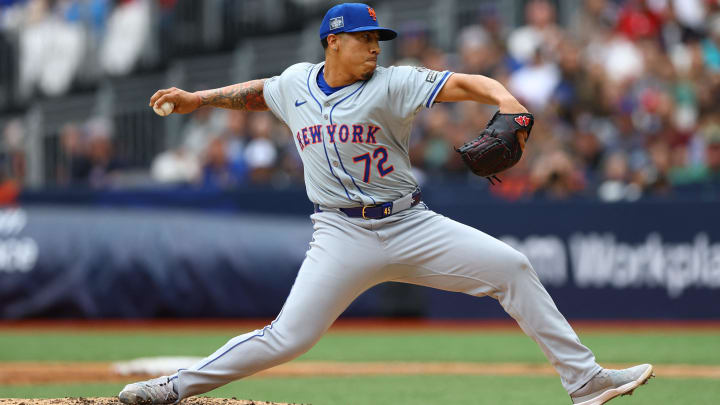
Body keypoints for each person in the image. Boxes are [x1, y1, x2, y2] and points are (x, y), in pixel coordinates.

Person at [119, 4, 653, 405]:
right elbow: (262, 89)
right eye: (364, 38)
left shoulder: (392, 83)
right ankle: (173, 388)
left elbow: (466, 82)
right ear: (333, 42)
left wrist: (505, 100)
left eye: (379, 38)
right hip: (340, 236)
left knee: (512, 267)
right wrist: (199, 99)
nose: (376, 47)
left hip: (409, 224)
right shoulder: (296, 84)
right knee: (287, 338)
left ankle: (583, 381)